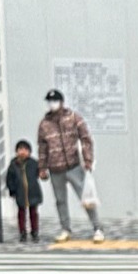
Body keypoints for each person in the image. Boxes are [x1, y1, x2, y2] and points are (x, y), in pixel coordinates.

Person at [37, 89, 102, 242]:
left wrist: (88, 160)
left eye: (55, 101)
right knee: (60, 201)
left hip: (74, 166)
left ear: (61, 102)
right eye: (49, 101)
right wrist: (42, 167)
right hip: (55, 168)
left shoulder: (73, 117)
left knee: (86, 198)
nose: (52, 104)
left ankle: (97, 228)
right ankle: (65, 229)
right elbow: (42, 147)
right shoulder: (44, 124)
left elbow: (86, 138)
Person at [4, 140, 42, 243]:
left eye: (25, 149)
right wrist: (12, 190)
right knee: (21, 213)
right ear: (16, 151)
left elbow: (39, 174)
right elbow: (9, 179)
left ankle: (34, 231)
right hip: (20, 193)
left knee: (33, 213)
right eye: (20, 149)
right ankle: (22, 232)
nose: (23, 152)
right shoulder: (13, 164)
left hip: (33, 192)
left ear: (29, 152)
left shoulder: (33, 163)